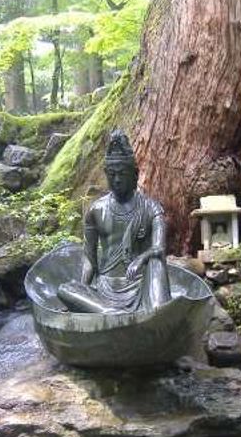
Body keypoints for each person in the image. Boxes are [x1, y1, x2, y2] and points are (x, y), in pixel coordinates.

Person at [57, 130, 171, 313]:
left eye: (122, 174)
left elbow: (159, 248)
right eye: (111, 174)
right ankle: (110, 312)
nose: (116, 179)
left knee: (156, 262)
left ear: (135, 175)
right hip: (106, 290)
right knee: (65, 289)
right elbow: (89, 259)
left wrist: (141, 259)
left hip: (139, 285)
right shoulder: (96, 210)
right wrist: (83, 290)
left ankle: (154, 313)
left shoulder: (151, 208)